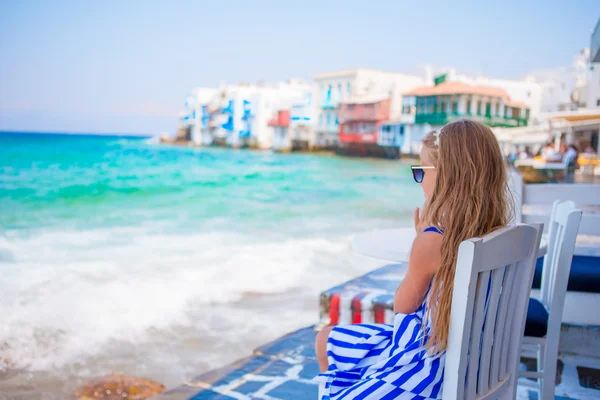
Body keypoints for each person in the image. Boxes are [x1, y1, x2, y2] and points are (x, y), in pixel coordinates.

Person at [314, 120, 513, 399]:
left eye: (421, 170)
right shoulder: (500, 233)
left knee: (329, 346)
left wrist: (421, 242)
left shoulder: (434, 241)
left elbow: (403, 307)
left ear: (447, 176)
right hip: (474, 363)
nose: (419, 179)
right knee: (327, 340)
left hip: (425, 369)